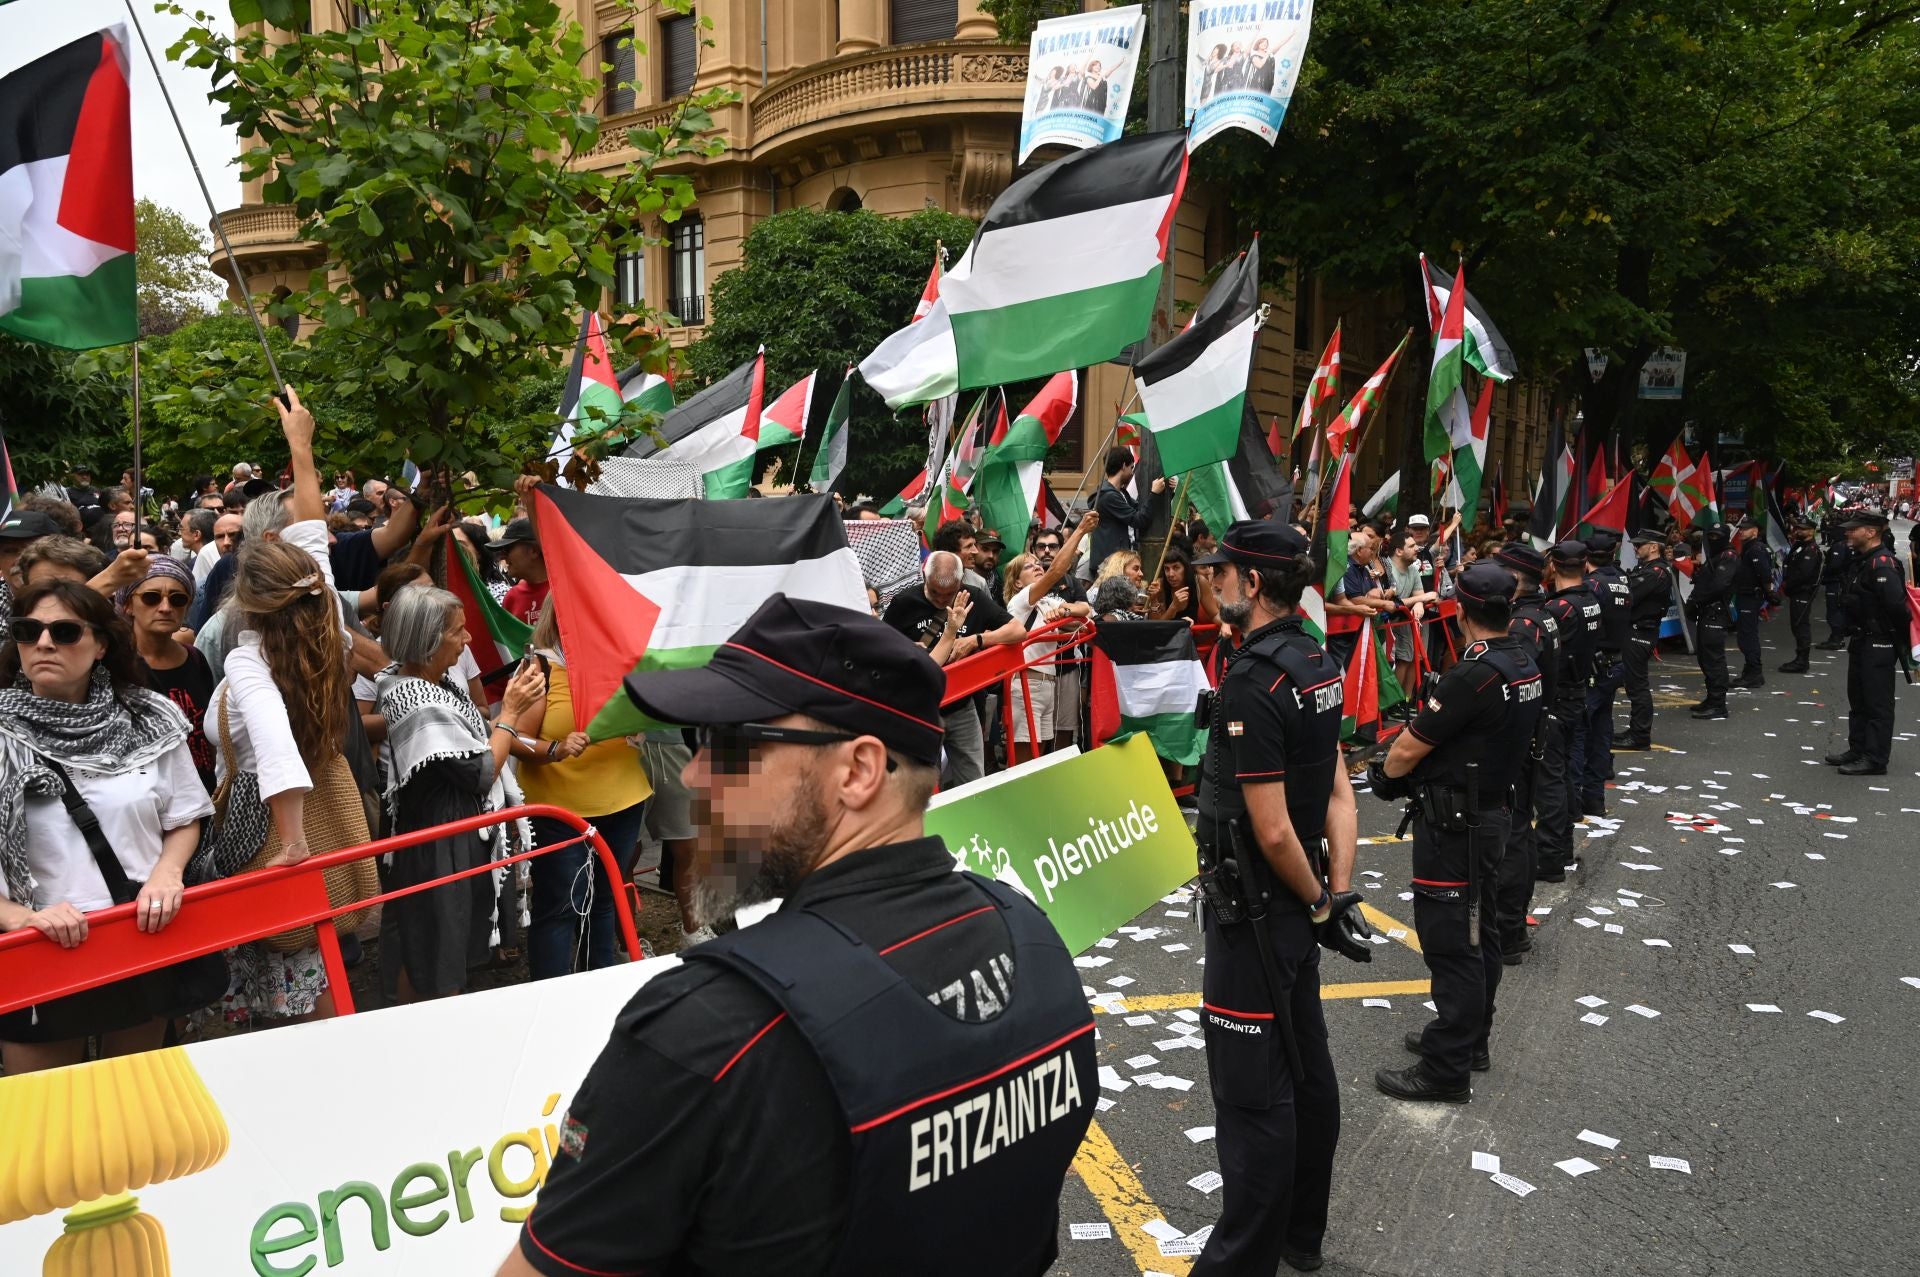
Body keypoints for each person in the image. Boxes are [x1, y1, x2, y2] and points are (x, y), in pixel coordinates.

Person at [500, 596, 1094, 1277]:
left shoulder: (705, 1027)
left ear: (859, 770)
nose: (695, 772)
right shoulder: (1035, 942)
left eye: (730, 743)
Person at [1186, 522, 1366, 1275]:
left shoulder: (1255, 679)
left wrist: (1320, 901)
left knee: (1253, 1097)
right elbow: (1340, 796)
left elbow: (1271, 827)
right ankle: (1303, 1233)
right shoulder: (1316, 658)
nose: (1213, 582)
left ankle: (1240, 1261)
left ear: (1252, 583)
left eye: (1221, 572)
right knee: (1305, 1067)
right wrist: (1339, 892)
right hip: (1292, 910)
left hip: (1257, 913)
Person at [0, 582, 218, 1073]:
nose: (45, 643)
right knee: (52, 1126)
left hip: (137, 935)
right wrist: (20, 918)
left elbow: (184, 815)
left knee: (132, 1107)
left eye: (65, 630)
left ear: (101, 645)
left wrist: (168, 873)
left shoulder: (148, 719)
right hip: (40, 952)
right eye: (27, 631)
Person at [1368, 562, 1543, 1103]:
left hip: (1457, 826)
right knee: (1480, 932)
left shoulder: (1475, 673)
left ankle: (1447, 1070)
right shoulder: (1522, 661)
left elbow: (1408, 748)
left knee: (1453, 945)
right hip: (1492, 815)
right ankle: (1469, 1042)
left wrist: (1383, 777)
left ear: (1461, 612)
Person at [374, 587, 545, 1001]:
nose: (468, 640)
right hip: (440, 841)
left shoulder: (426, 682)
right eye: (459, 631)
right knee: (438, 956)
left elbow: (477, 739)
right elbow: (483, 771)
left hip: (442, 833)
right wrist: (513, 712)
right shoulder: (419, 699)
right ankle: (430, 1041)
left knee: (427, 945)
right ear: (429, 640)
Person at [510, 596, 652, 978]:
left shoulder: (624, 659)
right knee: (559, 906)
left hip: (623, 802)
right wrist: (555, 748)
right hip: (559, 811)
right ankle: (551, 998)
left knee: (604, 901)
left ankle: (598, 989)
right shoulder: (538, 667)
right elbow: (513, 738)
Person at [882, 551, 1025, 787]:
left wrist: (975, 640)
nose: (940, 600)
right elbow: (883, 648)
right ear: (924, 578)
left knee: (973, 780)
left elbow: (1018, 630)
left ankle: (973, 822)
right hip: (920, 707)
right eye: (935, 592)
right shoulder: (904, 603)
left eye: (948, 595)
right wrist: (906, 648)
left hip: (961, 705)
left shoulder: (974, 598)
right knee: (922, 784)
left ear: (960, 583)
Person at [1490, 544, 1556, 964]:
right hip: (1534, 735)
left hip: (1519, 741)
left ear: (1514, 580)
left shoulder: (1522, 626)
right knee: (1520, 832)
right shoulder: (1539, 613)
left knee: (1512, 837)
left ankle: (1508, 930)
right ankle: (1511, 926)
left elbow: (1513, 687)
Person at [997, 512, 1098, 762]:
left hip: (1048, 683)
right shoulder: (1021, 601)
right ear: (1018, 583)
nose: (1038, 567)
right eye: (1030, 567)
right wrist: (1080, 530)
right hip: (1026, 683)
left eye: (1037, 565)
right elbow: (1056, 572)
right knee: (1024, 758)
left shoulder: (1047, 601)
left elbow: (1085, 612)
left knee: (1039, 755)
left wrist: (1065, 610)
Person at [116, 557, 216, 793]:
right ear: (128, 605)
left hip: (201, 792)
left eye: (177, 599)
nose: (165, 607)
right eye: (151, 598)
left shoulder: (195, 659)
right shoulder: (116, 663)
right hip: (144, 795)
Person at [1826, 511, 1907, 776]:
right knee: (1858, 699)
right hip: (1862, 639)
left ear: (1871, 532)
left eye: (1854, 529)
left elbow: (1897, 608)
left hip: (1879, 641)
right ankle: (1858, 749)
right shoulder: (1863, 561)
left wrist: (1894, 639)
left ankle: (1875, 758)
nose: (1848, 533)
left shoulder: (1882, 564)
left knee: (1877, 702)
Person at [1537, 541, 1595, 878]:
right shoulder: (1590, 600)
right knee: (1564, 776)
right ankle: (1564, 848)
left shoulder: (1559, 609)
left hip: (1558, 699)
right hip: (1577, 695)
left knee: (1550, 783)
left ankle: (1551, 858)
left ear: (1554, 567)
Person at [1576, 530, 1630, 816]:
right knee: (1600, 728)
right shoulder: (1621, 579)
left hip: (1597, 665)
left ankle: (1578, 800)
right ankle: (1594, 800)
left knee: (1580, 731)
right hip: (1615, 662)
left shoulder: (1593, 586)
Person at [1619, 531, 1673, 749]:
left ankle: (1639, 735)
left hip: (1640, 632)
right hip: (1637, 630)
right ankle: (1636, 731)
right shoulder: (1648, 569)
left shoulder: (1655, 572)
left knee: (1637, 685)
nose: (1635, 548)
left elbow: (1628, 592)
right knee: (1634, 684)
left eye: (1640, 545)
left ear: (1653, 547)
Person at [1688, 516, 1738, 719]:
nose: (1714, 539)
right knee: (1705, 658)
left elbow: (1719, 586)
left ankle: (1718, 704)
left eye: (1718, 536)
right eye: (1711, 536)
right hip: (1707, 612)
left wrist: (1698, 599)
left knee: (1714, 659)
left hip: (1716, 613)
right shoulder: (1716, 557)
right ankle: (1712, 697)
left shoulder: (1728, 556)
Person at [1088, 447, 1166, 574]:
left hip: (1117, 562)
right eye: (1131, 467)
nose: (1132, 473)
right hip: (1109, 565)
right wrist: (1154, 493)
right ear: (1124, 466)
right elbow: (1139, 520)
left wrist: (1166, 493)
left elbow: (1142, 510)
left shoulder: (1120, 493)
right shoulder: (1108, 496)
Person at [1729, 517, 1773, 688]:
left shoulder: (1756, 549)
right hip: (1745, 595)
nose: (1741, 531)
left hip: (1750, 596)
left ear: (1755, 531)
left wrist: (1768, 592)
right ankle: (1750, 671)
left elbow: (1765, 574)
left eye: (1745, 529)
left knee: (1748, 636)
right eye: (1740, 528)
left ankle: (1754, 673)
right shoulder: (1748, 548)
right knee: (1745, 635)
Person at [1778, 515, 1823, 673]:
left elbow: (1803, 573)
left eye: (1802, 529)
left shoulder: (1810, 549)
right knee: (1796, 625)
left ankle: (1802, 660)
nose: (1798, 531)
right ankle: (1800, 658)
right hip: (1795, 591)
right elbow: (1788, 563)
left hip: (1803, 592)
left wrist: (1789, 585)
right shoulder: (1799, 545)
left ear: (1811, 531)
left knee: (1800, 626)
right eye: (1797, 528)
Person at [496, 517, 550, 624]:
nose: (502, 556)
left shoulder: (565, 591)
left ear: (534, 550)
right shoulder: (512, 598)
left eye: (507, 549)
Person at [1149, 543, 1220, 625]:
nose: (1170, 574)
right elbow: (1156, 626)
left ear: (1185, 568)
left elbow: (1214, 615)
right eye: (1166, 569)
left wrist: (1226, 624)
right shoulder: (1159, 586)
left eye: (1176, 567)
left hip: (1189, 636)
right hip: (1167, 636)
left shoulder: (1199, 582)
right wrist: (1172, 607)